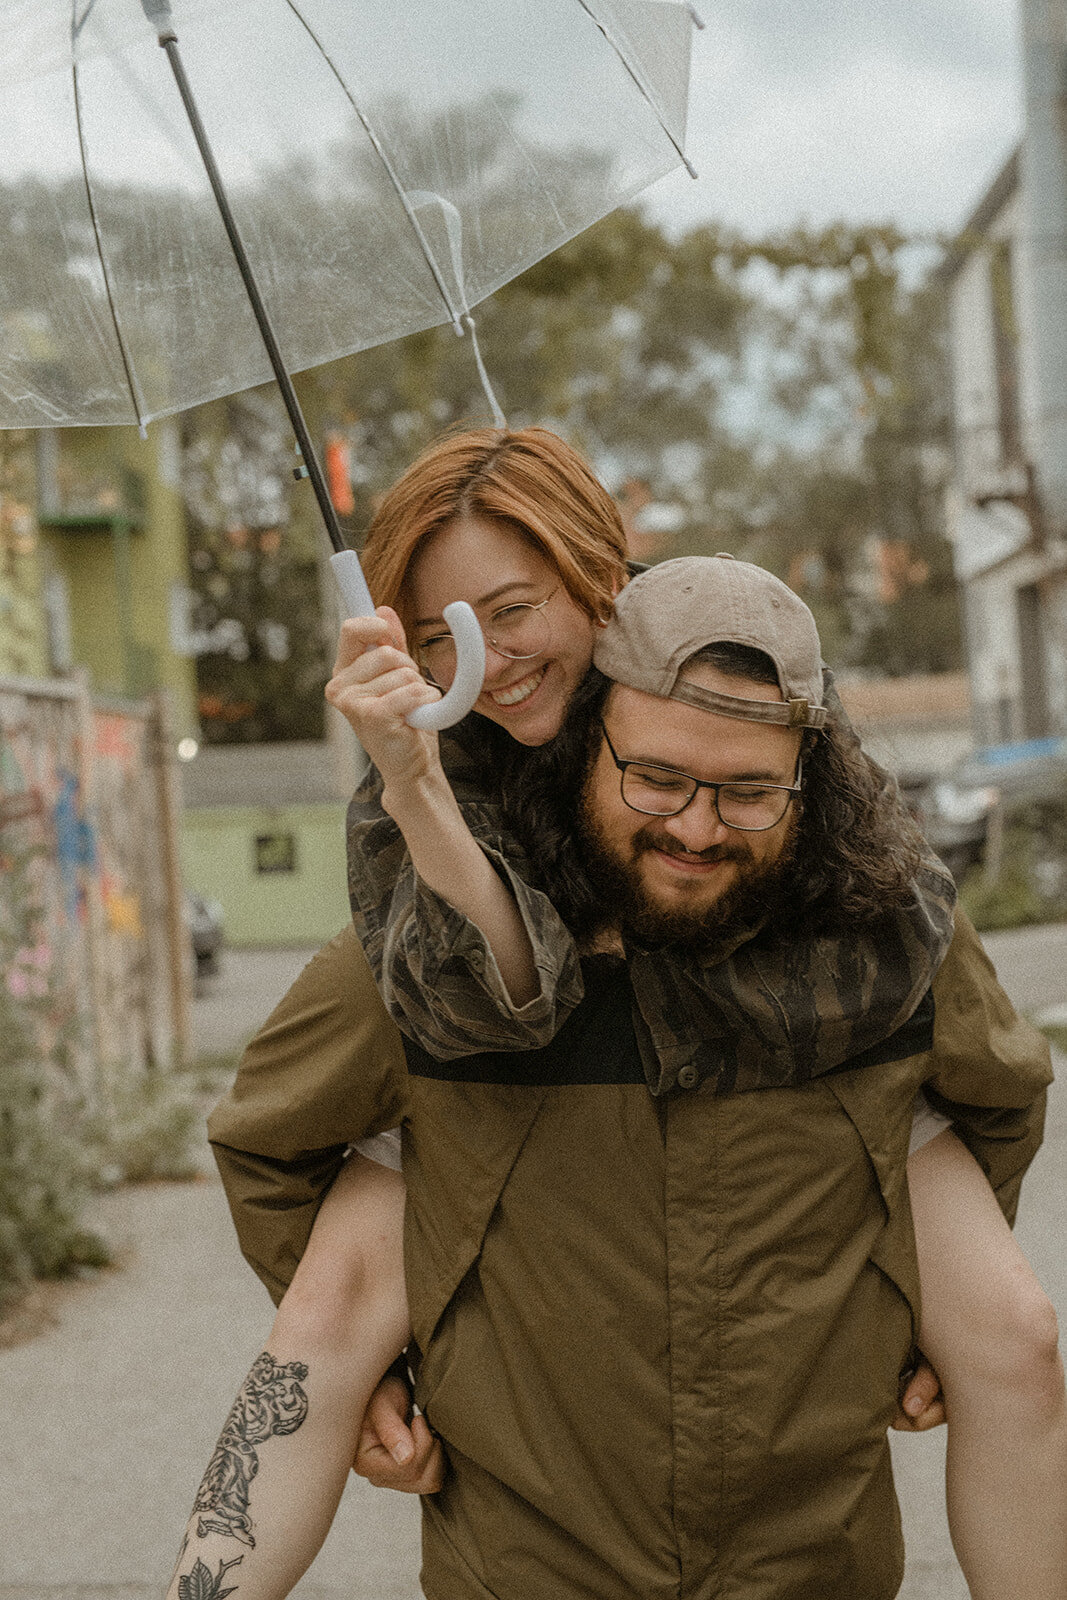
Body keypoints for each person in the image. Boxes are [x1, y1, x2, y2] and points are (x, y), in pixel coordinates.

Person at [182, 441, 1060, 1598]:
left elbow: (991, 1079)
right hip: (523, 1430)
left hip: (797, 1513)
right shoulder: (420, 869)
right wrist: (404, 1353)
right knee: (327, 1310)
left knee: (1016, 1338)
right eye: (437, 636)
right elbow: (296, 1125)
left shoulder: (844, 859)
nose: (482, 663)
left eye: (511, 610)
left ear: (598, 588)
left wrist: (905, 1304)